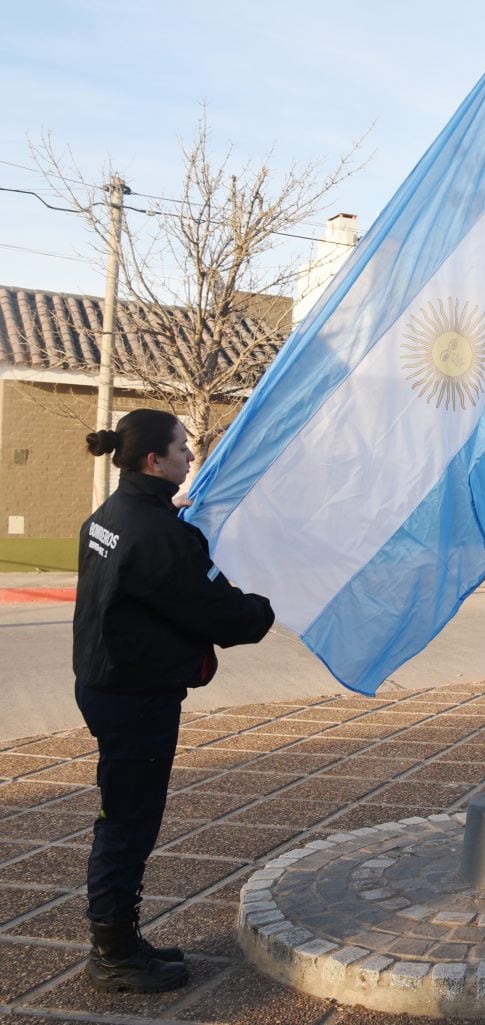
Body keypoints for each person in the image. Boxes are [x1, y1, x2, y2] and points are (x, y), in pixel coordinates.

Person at [73, 409, 274, 994]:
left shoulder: (112, 515)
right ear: (153, 460)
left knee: (123, 816)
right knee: (127, 823)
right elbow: (226, 614)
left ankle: (121, 940)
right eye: (183, 449)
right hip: (135, 696)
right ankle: (111, 953)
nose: (191, 457)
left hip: (103, 682)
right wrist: (270, 601)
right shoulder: (157, 534)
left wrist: (172, 520)